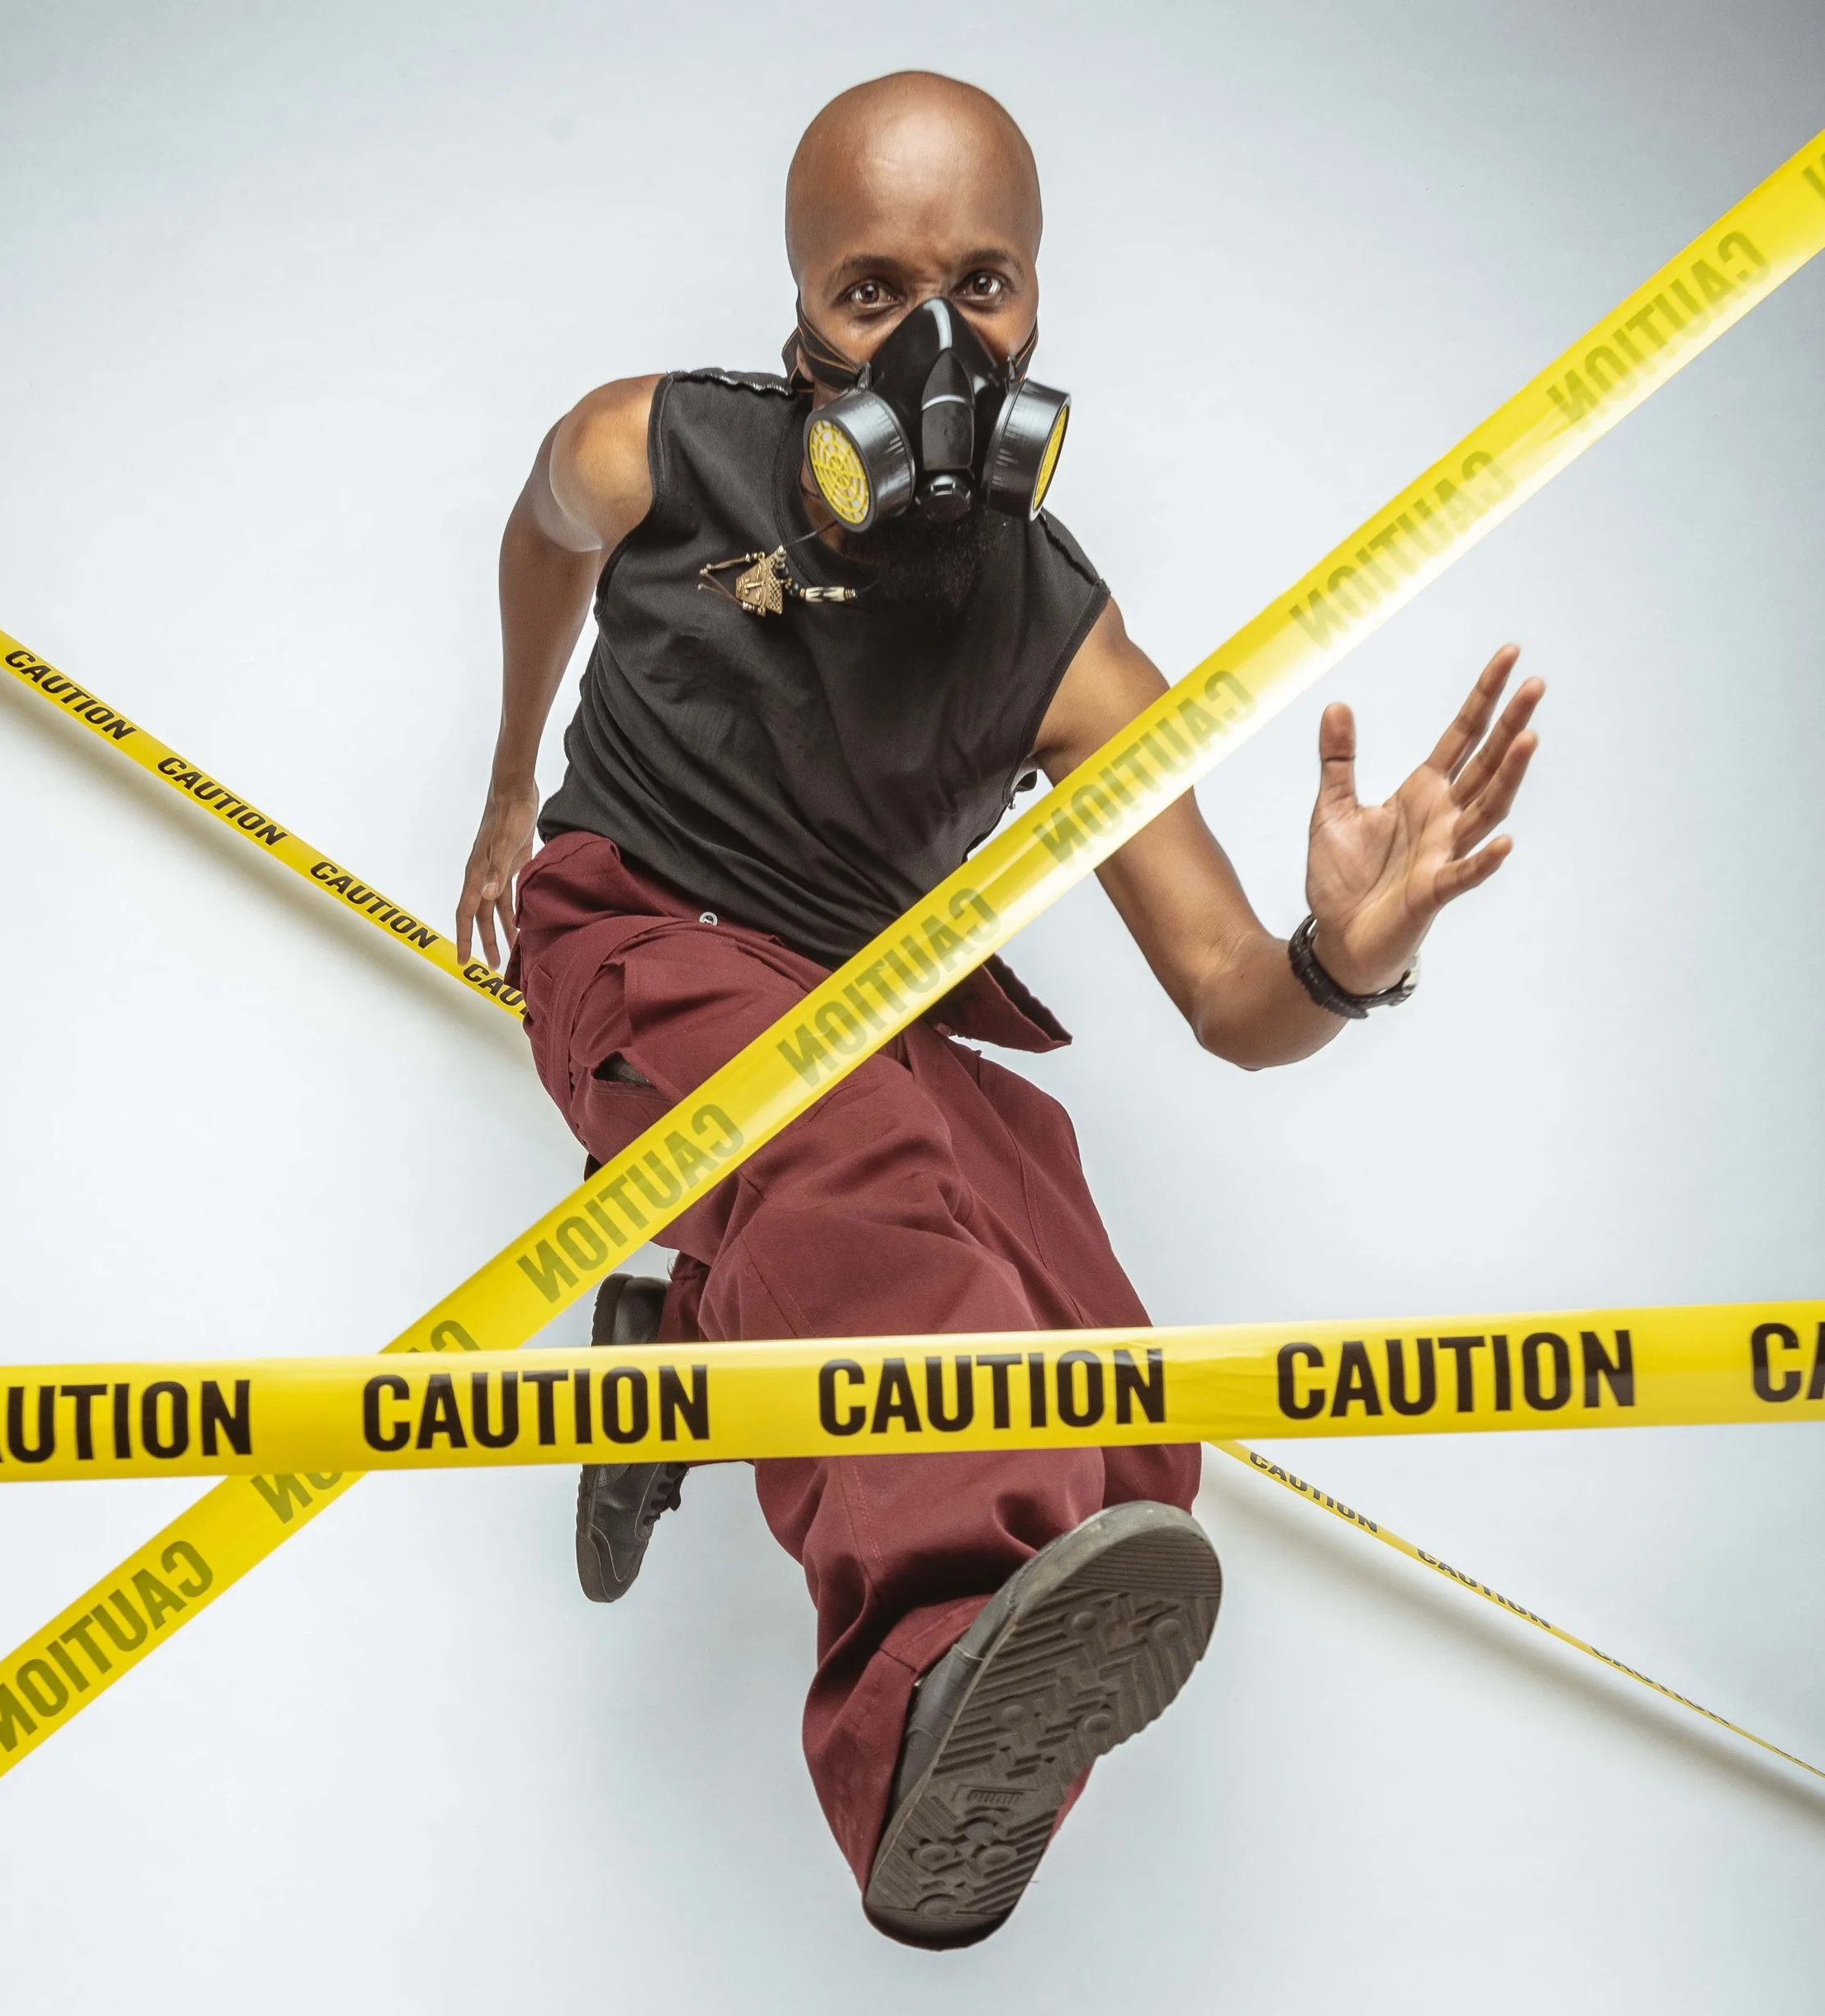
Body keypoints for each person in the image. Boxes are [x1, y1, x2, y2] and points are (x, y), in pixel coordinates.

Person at [456, 71, 1542, 1950]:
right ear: (797, 305)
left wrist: (1348, 953)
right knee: (864, 1194)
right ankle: (907, 1728)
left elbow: (1228, 995)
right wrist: (497, 786)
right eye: (872, 292)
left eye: (983, 284)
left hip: (857, 1002)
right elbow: (538, 536)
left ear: (1037, 297)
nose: (935, 342)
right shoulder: (648, 448)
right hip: (639, 932)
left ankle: (680, 1359)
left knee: (1117, 1419)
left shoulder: (1063, 648)